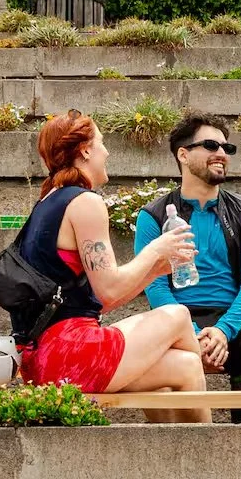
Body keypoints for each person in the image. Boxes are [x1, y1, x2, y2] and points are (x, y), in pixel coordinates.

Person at [14, 111, 211, 421]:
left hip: (41, 360)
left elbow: (98, 301)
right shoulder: (85, 202)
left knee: (185, 367)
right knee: (178, 314)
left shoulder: (47, 202)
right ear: (85, 151)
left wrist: (155, 270)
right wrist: (155, 250)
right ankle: (212, 449)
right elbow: (108, 291)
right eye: (102, 143)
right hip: (71, 354)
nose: (106, 152)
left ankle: (186, 448)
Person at [134, 113, 241, 418]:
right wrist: (192, 333)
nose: (222, 154)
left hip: (233, 320)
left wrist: (223, 331)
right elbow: (155, 286)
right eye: (211, 145)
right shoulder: (153, 216)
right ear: (183, 154)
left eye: (227, 148)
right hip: (175, 322)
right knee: (146, 373)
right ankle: (188, 445)